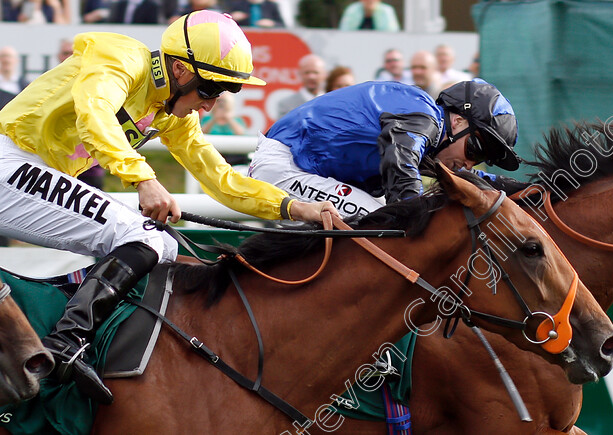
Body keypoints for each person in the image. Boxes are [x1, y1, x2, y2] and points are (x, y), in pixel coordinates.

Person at [0, 10, 338, 405]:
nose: (211, 105)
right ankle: (64, 347)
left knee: (163, 246)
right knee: (140, 235)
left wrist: (295, 208)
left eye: (223, 93)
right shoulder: (121, 56)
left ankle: (58, 329)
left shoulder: (172, 115)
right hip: (10, 160)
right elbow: (95, 112)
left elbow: (220, 178)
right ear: (180, 70)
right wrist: (143, 179)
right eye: (210, 88)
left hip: (27, 173)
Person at [249, 79, 520, 218]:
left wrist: (534, 189)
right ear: (458, 120)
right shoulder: (424, 115)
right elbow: (400, 165)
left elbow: (472, 182)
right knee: (381, 221)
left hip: (300, 169)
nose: (471, 163)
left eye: (483, 158)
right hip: (285, 165)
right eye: (474, 150)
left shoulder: (429, 137)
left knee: (383, 216)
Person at [276, 53, 325, 119]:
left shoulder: (331, 102)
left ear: (324, 74)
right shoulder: (286, 105)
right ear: (299, 74)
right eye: (307, 72)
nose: (311, 77)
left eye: (315, 72)